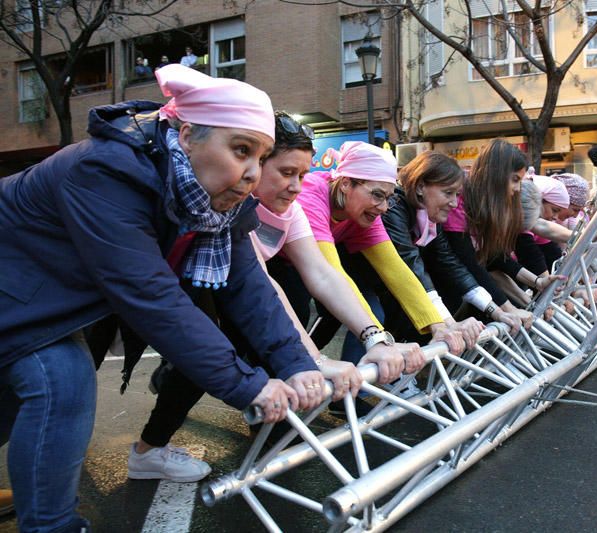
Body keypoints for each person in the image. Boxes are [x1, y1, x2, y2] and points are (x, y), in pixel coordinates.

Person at [0, 64, 316, 532]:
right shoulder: (105, 170)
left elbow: (248, 285)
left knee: (13, 402)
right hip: (15, 288)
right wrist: (248, 384)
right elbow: (150, 294)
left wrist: (297, 364)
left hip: (36, 294)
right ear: (187, 135)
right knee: (61, 381)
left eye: (261, 156)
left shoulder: (215, 196)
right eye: (241, 150)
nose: (252, 174)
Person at [127, 113, 419, 481]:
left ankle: (262, 423)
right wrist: (310, 361)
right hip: (178, 282)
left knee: (273, 316)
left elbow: (323, 274)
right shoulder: (233, 203)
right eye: (286, 173)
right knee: (207, 351)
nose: (297, 186)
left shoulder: (288, 209)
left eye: (302, 174)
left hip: (223, 287)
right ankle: (151, 446)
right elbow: (262, 288)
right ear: (255, 165)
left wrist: (373, 337)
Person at [269, 141, 468, 369]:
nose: (384, 207)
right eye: (377, 195)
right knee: (292, 315)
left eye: (389, 198)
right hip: (273, 261)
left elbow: (396, 270)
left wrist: (439, 325)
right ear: (345, 184)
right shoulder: (312, 195)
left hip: (305, 264)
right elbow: (329, 273)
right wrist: (379, 339)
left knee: (358, 311)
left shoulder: (365, 212)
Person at [381, 150, 518, 338]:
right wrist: (448, 324)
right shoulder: (394, 207)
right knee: (375, 325)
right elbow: (411, 265)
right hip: (362, 285)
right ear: (420, 187)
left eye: (457, 194)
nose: (454, 203)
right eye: (448, 193)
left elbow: (449, 262)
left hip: (384, 290)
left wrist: (496, 311)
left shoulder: (427, 217)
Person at [443, 139, 543, 325]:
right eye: (515, 180)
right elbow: (470, 262)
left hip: (464, 293)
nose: (517, 189)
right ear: (496, 174)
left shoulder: (482, 204)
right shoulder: (460, 200)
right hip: (448, 295)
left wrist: (537, 282)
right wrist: (508, 310)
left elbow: (494, 256)